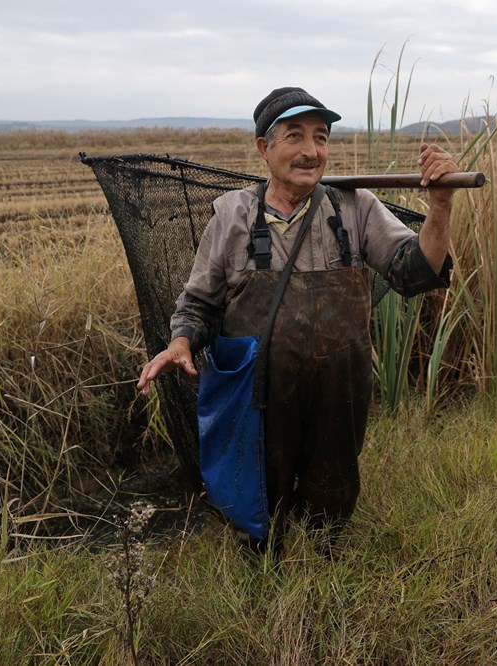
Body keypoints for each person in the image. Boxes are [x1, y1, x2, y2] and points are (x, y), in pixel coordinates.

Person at [136, 86, 460, 546]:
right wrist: (181, 342)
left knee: (330, 511)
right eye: (295, 136)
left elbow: (418, 271)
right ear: (264, 149)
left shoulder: (355, 208)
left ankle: (322, 580)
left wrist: (442, 205)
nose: (311, 152)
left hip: (339, 395)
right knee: (257, 509)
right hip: (258, 400)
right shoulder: (233, 216)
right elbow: (199, 303)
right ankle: (260, 574)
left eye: (321, 138)